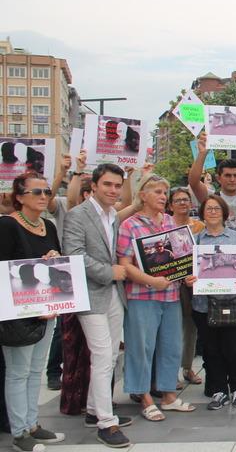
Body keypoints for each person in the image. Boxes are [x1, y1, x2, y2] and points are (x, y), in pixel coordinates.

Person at [117, 174, 198, 422]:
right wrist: (151, 280)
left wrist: (188, 275)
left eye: (164, 192)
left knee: (172, 345)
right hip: (142, 295)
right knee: (141, 348)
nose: (163, 197)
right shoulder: (130, 225)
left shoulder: (171, 222)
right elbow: (124, 264)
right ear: (143, 195)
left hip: (171, 294)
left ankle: (169, 395)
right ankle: (144, 397)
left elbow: (183, 258)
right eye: (157, 192)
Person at [62, 164, 133, 447]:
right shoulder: (77, 215)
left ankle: (94, 410)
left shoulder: (113, 215)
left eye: (117, 185)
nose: (113, 190)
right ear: (94, 186)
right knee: (103, 356)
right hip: (91, 295)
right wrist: (109, 272)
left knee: (111, 355)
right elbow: (74, 255)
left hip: (114, 294)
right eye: (107, 184)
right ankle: (106, 423)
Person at [0, 172, 66, 451]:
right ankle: (19, 432)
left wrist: (54, 258)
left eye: (47, 192)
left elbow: (57, 263)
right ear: (19, 197)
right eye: (36, 192)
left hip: (46, 308)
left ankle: (32, 424)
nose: (43, 197)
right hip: (19, 313)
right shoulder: (7, 225)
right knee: (18, 372)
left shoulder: (48, 226)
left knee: (35, 370)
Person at [193, 195, 236, 410]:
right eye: (208, 208)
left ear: (224, 213)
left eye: (217, 208)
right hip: (204, 305)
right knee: (212, 350)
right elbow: (190, 268)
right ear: (202, 213)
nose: (213, 212)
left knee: (234, 349)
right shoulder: (196, 240)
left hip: (235, 302)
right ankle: (218, 391)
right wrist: (190, 278)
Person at [167, 187, 205, 388]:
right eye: (178, 200)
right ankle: (170, 373)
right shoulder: (165, 225)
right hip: (171, 282)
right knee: (172, 328)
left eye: (186, 199)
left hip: (194, 282)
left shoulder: (199, 226)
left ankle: (187, 367)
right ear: (170, 205)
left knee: (191, 327)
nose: (182, 203)